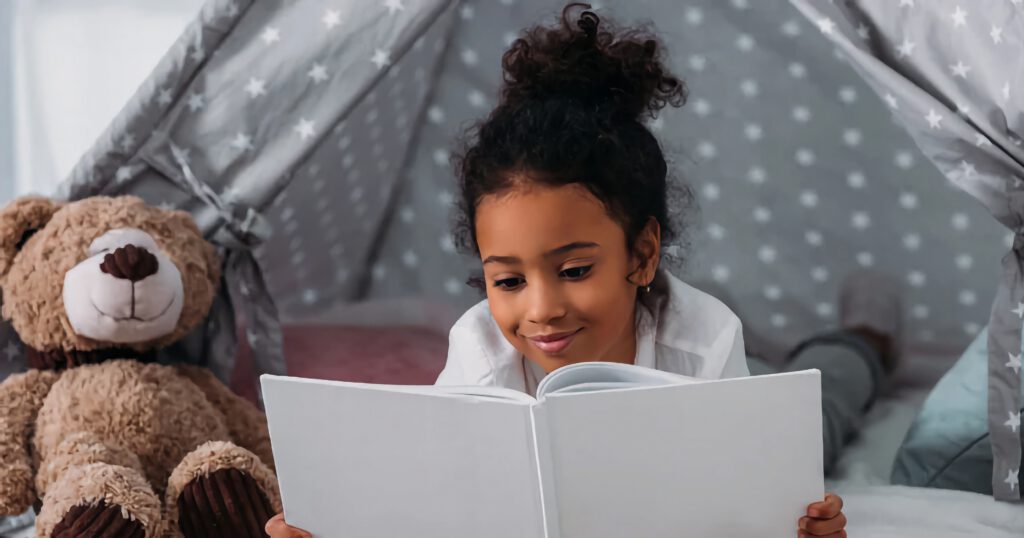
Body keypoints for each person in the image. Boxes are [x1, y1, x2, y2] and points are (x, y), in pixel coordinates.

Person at [267, 4, 906, 536]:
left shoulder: (706, 340)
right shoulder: (477, 351)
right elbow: (429, 502)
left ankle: (864, 335)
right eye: (509, 280)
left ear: (642, 255)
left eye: (573, 270)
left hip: (755, 390)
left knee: (826, 408)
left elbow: (751, 501)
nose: (541, 309)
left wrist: (805, 524)